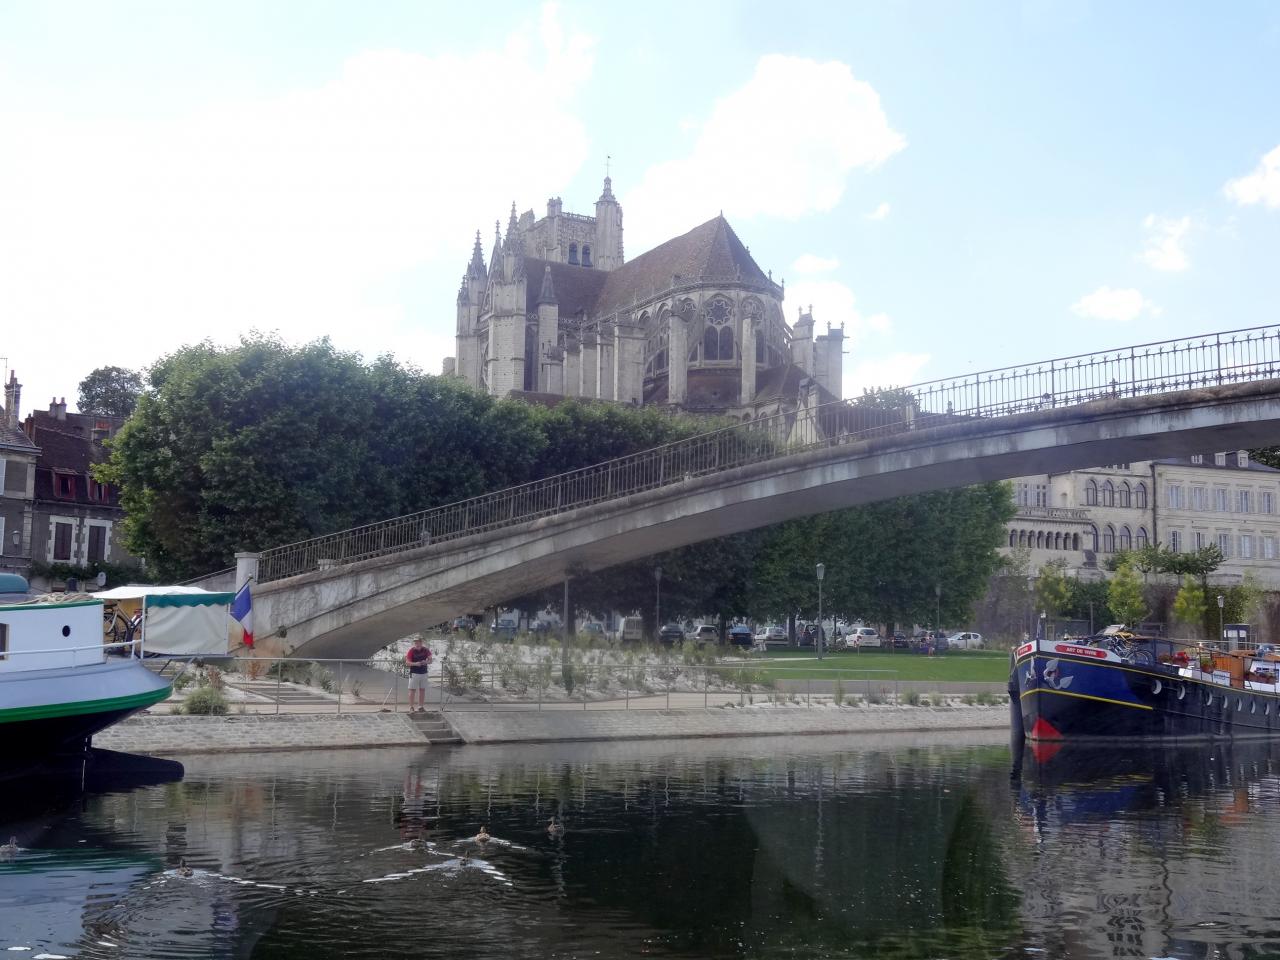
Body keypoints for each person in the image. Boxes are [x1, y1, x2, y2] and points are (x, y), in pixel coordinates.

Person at [405, 636, 433, 713]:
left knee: (422, 690)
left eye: (418, 641)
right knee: (412, 690)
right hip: (414, 673)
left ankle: (420, 706)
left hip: (424, 672)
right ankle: (411, 707)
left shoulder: (426, 650)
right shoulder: (411, 651)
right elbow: (407, 663)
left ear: (421, 642)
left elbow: (430, 660)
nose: (416, 643)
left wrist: (425, 662)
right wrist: (415, 664)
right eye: (415, 642)